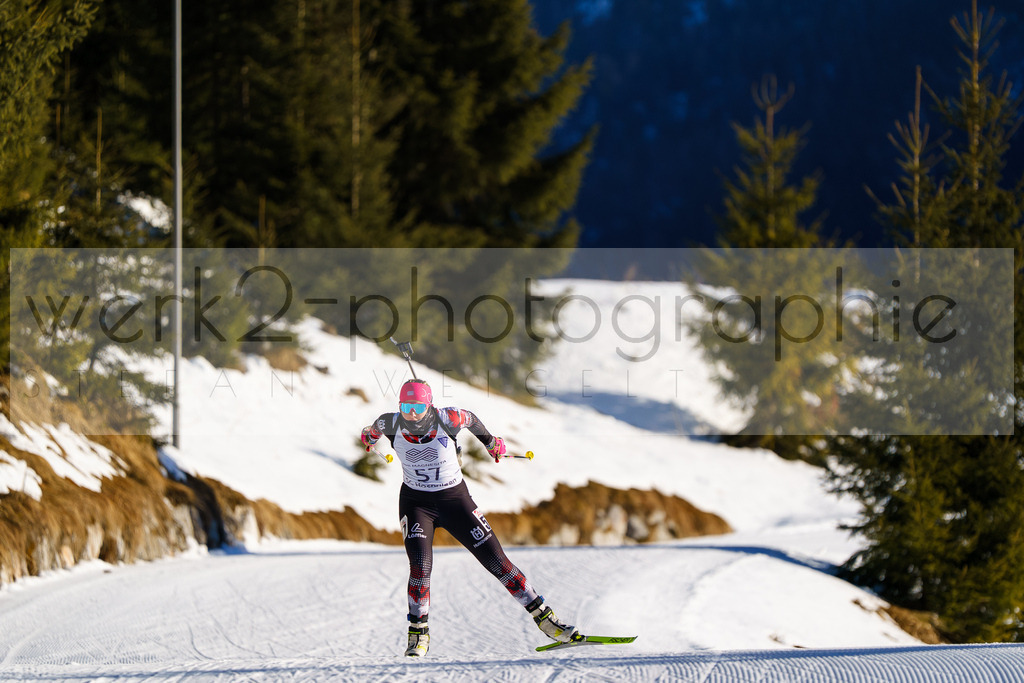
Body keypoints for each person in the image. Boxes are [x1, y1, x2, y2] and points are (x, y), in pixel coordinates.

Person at [360, 378, 578, 657]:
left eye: (418, 407)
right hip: (416, 504)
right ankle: (418, 635)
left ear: (429, 405)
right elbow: (371, 432)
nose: (411, 413)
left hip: (455, 501)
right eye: (406, 406)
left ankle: (547, 621)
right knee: (420, 567)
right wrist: (368, 438)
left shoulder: (448, 418)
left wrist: (491, 443)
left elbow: (472, 419)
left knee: (498, 562)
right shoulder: (390, 422)